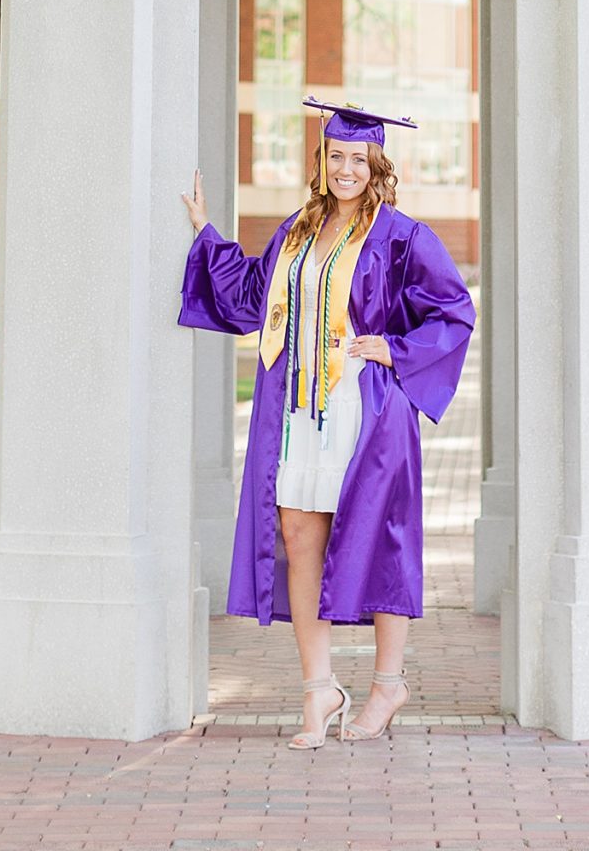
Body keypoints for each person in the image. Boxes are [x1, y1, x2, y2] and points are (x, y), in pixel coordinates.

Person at [179, 98, 475, 747]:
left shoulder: (401, 236)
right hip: (299, 411)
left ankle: (387, 684)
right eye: (335, 157)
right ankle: (319, 692)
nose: (345, 169)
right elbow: (254, 294)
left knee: (382, 537)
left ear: (375, 165)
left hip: (365, 409)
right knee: (297, 535)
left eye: (357, 159)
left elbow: (453, 312)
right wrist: (205, 234)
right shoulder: (297, 231)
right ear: (321, 161)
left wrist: (394, 349)